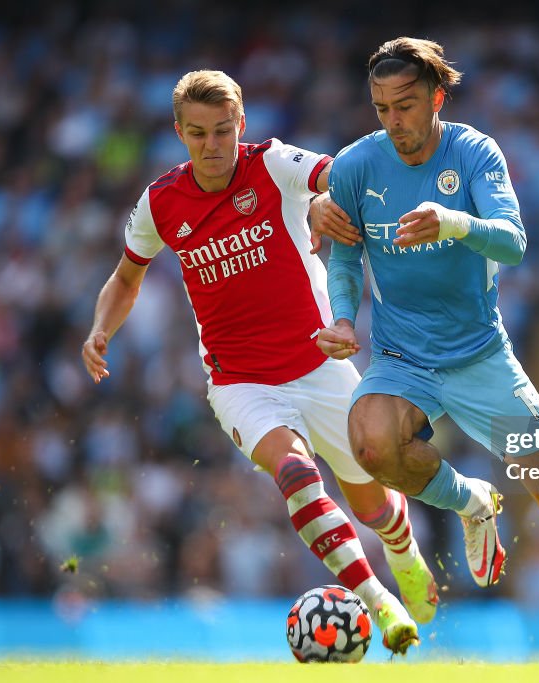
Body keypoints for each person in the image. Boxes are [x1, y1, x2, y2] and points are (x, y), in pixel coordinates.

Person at [311, 38, 539, 668]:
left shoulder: (474, 153)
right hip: (402, 360)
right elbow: (344, 254)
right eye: (381, 109)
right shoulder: (354, 167)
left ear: (436, 97)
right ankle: (472, 502)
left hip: (480, 355)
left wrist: (453, 221)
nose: (393, 121)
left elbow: (513, 242)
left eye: (405, 105)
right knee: (370, 447)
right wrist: (344, 318)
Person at [80, 69, 440, 655]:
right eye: (197, 134)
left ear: (241, 125)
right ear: (178, 132)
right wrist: (100, 328)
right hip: (240, 381)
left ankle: (403, 552)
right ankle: (378, 600)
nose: (211, 145)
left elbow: (333, 176)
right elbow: (126, 277)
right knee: (297, 475)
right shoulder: (161, 203)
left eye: (223, 131)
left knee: (374, 501)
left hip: (320, 365)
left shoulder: (271, 163)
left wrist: (326, 203)